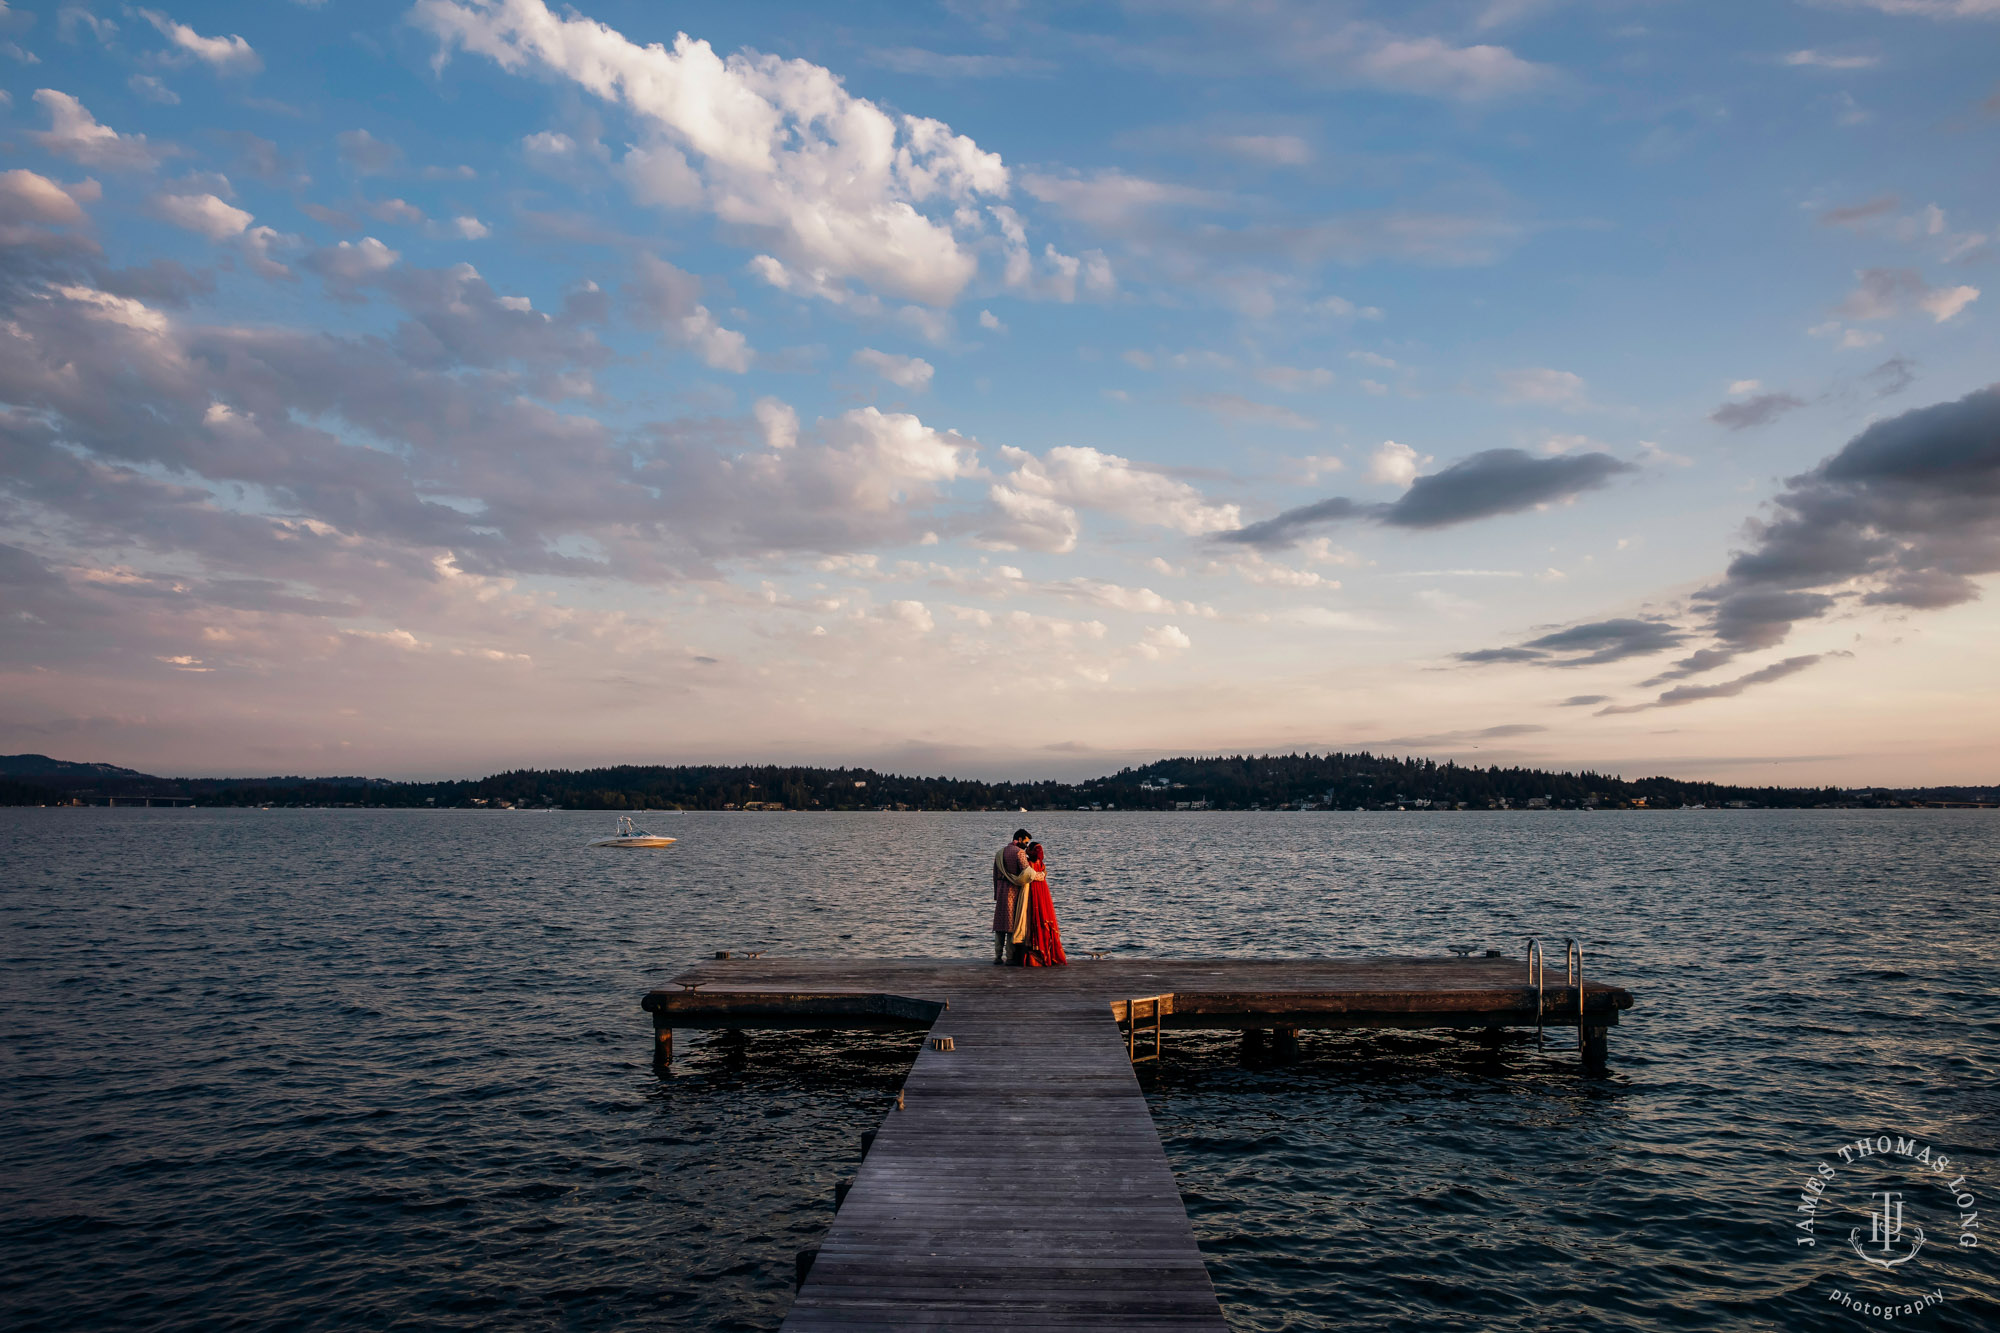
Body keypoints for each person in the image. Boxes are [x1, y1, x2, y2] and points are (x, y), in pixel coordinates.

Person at [992, 828, 1041, 964]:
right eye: (1025, 842)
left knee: (999, 926)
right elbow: (1028, 873)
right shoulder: (1019, 853)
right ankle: (1010, 957)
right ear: (1019, 839)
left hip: (1001, 891)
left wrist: (996, 894)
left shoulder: (999, 853)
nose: (1026, 845)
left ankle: (997, 956)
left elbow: (995, 876)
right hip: (1013, 892)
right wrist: (1041, 876)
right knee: (1011, 926)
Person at [1018, 842, 1067, 967]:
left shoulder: (1028, 864)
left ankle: (1034, 955)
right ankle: (1046, 952)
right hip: (1043, 891)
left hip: (1033, 892)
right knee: (1043, 918)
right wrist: (1043, 874)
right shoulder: (1041, 865)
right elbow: (1043, 874)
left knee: (1033, 919)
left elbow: (1026, 876)